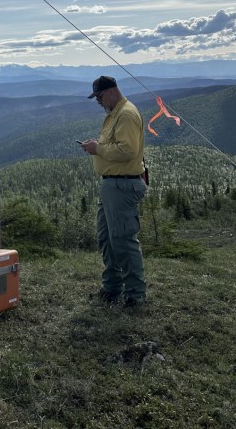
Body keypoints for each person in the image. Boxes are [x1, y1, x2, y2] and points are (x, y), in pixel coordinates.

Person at [79, 75, 147, 307]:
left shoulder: (126, 114)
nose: (98, 101)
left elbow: (128, 151)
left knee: (123, 241)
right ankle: (112, 287)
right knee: (107, 239)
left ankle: (135, 295)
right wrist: (98, 147)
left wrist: (98, 148)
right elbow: (114, 146)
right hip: (112, 185)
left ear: (110, 92)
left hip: (122, 184)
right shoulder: (114, 114)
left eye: (99, 97)